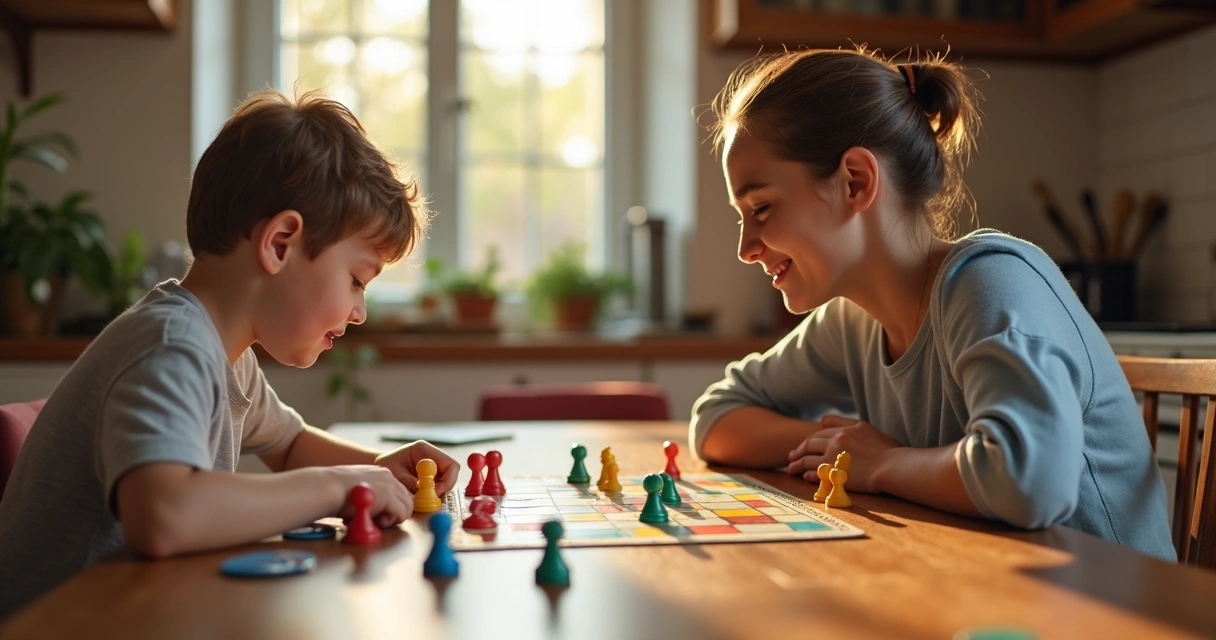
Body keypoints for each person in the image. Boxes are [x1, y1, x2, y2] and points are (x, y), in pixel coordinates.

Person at [690, 49, 1175, 561]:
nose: (746, 248)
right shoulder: (851, 319)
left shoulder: (988, 280)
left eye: (761, 208)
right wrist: (843, 448)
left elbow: (1031, 482)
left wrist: (881, 463)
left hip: (1116, 612)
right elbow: (718, 419)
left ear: (856, 181)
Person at [0, 89, 462, 617]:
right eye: (357, 280)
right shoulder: (170, 347)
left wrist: (381, 467)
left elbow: (288, 444)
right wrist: (338, 485)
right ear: (281, 243)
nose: (359, 312)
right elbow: (164, 515)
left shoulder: (225, 352)